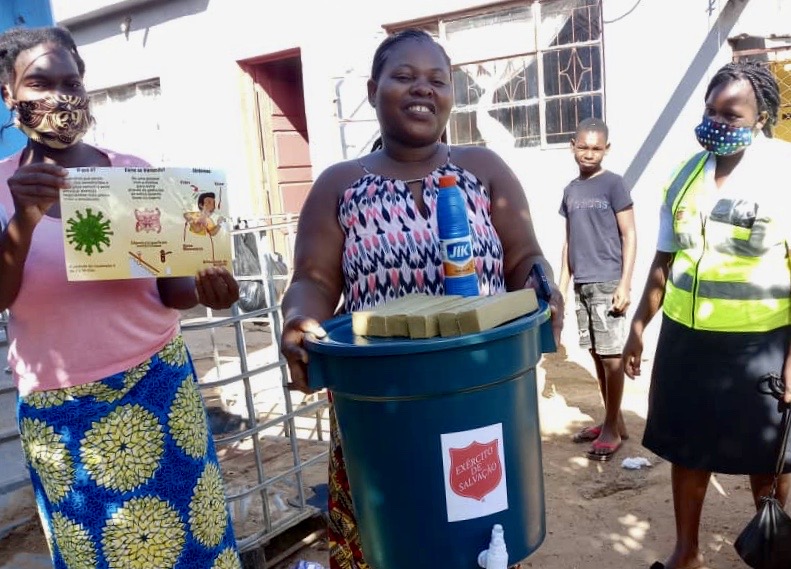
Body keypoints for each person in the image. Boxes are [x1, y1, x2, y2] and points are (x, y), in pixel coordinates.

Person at [280, 28, 564, 569]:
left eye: (438, 80)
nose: (423, 90)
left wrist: (541, 283)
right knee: (391, 542)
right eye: (404, 77)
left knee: (480, 537)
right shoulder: (339, 185)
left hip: (477, 397)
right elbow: (313, 280)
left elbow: (523, 255)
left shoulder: (483, 171)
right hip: (382, 404)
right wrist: (298, 318)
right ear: (372, 89)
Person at [0, 26, 242, 568]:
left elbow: (171, 289)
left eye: (72, 82)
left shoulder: (131, 174)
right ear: (9, 96)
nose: (60, 97)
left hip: (157, 387)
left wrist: (208, 289)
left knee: (192, 544)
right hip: (60, 410)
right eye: (40, 82)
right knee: (95, 553)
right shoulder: (1, 191)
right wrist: (22, 223)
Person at [623, 61, 790, 569]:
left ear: (760, 117)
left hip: (760, 344)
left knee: (769, 457)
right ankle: (686, 553)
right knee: (688, 450)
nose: (716, 122)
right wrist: (638, 326)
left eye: (731, 114)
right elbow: (664, 258)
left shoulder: (784, 172)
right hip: (687, 340)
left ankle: (774, 551)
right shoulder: (684, 173)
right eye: (710, 110)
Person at [558, 117, 636, 461]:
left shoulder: (614, 185)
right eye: (583, 147)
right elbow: (568, 241)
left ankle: (610, 429)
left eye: (596, 148)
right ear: (572, 145)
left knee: (611, 357)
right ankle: (613, 421)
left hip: (608, 281)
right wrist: (561, 285)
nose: (588, 154)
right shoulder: (571, 190)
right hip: (583, 283)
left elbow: (629, 235)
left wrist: (625, 284)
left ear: (606, 149)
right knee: (595, 354)